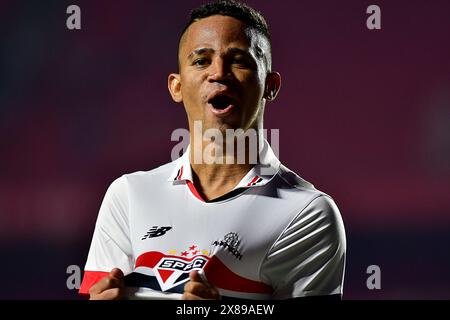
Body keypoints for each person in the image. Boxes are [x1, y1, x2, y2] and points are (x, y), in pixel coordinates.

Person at [79, 0, 346, 300]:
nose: (218, 73)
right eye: (201, 60)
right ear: (176, 87)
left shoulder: (308, 213)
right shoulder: (128, 194)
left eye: (239, 60)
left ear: (271, 85)